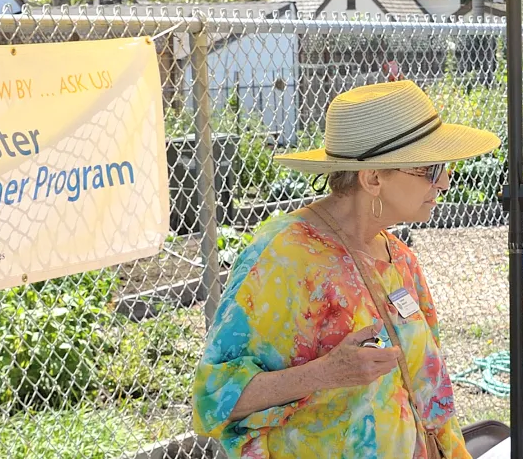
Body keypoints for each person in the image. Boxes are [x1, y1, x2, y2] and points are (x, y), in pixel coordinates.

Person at [193, 80, 496, 459]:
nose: (446, 182)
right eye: (431, 169)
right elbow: (212, 400)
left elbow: (430, 396)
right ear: (373, 178)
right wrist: (324, 373)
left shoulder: (400, 259)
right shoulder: (286, 257)